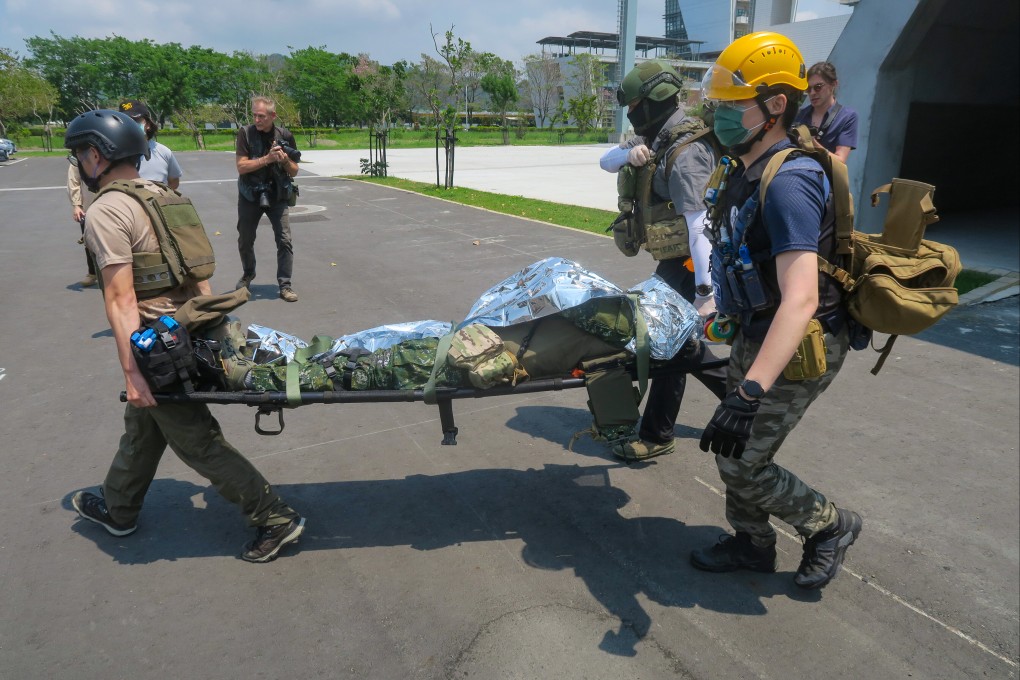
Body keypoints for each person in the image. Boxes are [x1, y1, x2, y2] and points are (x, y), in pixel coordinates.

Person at [66, 109, 305, 563]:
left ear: (96, 154)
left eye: (80, 153)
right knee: (145, 426)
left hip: (156, 343)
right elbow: (200, 278)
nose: (80, 162)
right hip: (191, 329)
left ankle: (274, 516)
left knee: (196, 441)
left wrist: (134, 373)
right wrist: (204, 336)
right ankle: (119, 508)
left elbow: (120, 301)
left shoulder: (106, 211)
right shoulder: (164, 196)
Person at [691, 32, 862, 589]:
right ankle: (752, 545)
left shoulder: (789, 180)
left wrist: (748, 392)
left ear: (775, 105)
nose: (719, 117)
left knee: (744, 458)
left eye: (730, 106)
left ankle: (829, 525)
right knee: (730, 447)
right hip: (755, 329)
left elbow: (802, 298)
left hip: (801, 339)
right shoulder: (741, 166)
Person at [603, 61, 727, 462]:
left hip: (693, 263)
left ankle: (662, 432)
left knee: (668, 342)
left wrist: (706, 292)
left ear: (653, 101)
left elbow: (699, 226)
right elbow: (605, 161)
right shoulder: (656, 137)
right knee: (672, 342)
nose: (631, 113)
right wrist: (629, 153)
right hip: (679, 261)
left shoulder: (685, 152)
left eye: (635, 104)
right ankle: (744, 398)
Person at [234, 95, 300, 302]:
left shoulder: (285, 135)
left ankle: (285, 285)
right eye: (254, 115)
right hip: (250, 194)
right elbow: (241, 166)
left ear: (273, 116)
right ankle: (248, 274)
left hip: (277, 194)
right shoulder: (245, 133)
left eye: (261, 116)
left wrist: (284, 161)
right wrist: (266, 159)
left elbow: (295, 170)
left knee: (285, 240)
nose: (257, 120)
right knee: (245, 238)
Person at [793, 62, 858, 164]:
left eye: (818, 87)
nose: (813, 93)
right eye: (808, 89)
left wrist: (814, 145)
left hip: (825, 177)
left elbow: (840, 161)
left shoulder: (847, 117)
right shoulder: (799, 115)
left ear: (834, 84)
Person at [117, 99, 183, 188]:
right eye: (126, 121)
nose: (131, 125)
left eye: (135, 120)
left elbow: (174, 182)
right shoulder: (113, 152)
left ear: (148, 124)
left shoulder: (163, 152)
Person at [67, 161, 97, 287]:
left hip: (112, 205)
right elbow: (73, 181)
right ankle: (92, 273)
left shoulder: (111, 149)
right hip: (88, 208)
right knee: (89, 242)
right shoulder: (78, 155)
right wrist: (77, 205)